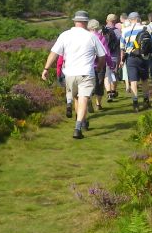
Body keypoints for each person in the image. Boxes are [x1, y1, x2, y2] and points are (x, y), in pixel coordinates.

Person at [42, 10, 106, 139]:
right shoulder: (91, 36)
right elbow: (102, 55)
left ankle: (82, 121)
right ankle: (78, 127)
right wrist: (99, 67)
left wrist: (46, 68)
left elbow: (54, 53)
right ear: (86, 22)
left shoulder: (65, 35)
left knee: (76, 97)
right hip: (86, 72)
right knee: (83, 98)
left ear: (75, 21)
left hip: (70, 73)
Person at [119, 12, 150, 112]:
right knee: (144, 79)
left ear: (130, 19)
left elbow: (122, 48)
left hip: (131, 57)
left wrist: (121, 60)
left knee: (133, 81)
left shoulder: (125, 30)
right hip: (144, 57)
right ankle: (146, 100)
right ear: (138, 19)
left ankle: (135, 102)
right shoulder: (146, 28)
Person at [87, 19, 114, 112]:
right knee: (99, 84)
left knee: (88, 84)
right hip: (100, 64)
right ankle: (98, 104)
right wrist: (110, 64)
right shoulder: (101, 38)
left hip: (88, 65)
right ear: (97, 27)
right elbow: (106, 53)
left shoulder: (86, 37)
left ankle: (88, 99)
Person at [103, 14, 121, 101]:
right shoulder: (117, 31)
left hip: (105, 56)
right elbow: (120, 45)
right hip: (114, 56)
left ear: (107, 21)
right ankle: (113, 91)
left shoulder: (101, 31)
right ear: (115, 21)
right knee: (114, 73)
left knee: (106, 75)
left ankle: (108, 92)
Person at [119, 13, 131, 94]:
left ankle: (127, 86)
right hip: (132, 52)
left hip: (126, 52)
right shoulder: (132, 31)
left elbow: (122, 47)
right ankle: (132, 84)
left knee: (125, 69)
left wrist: (121, 59)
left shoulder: (123, 32)